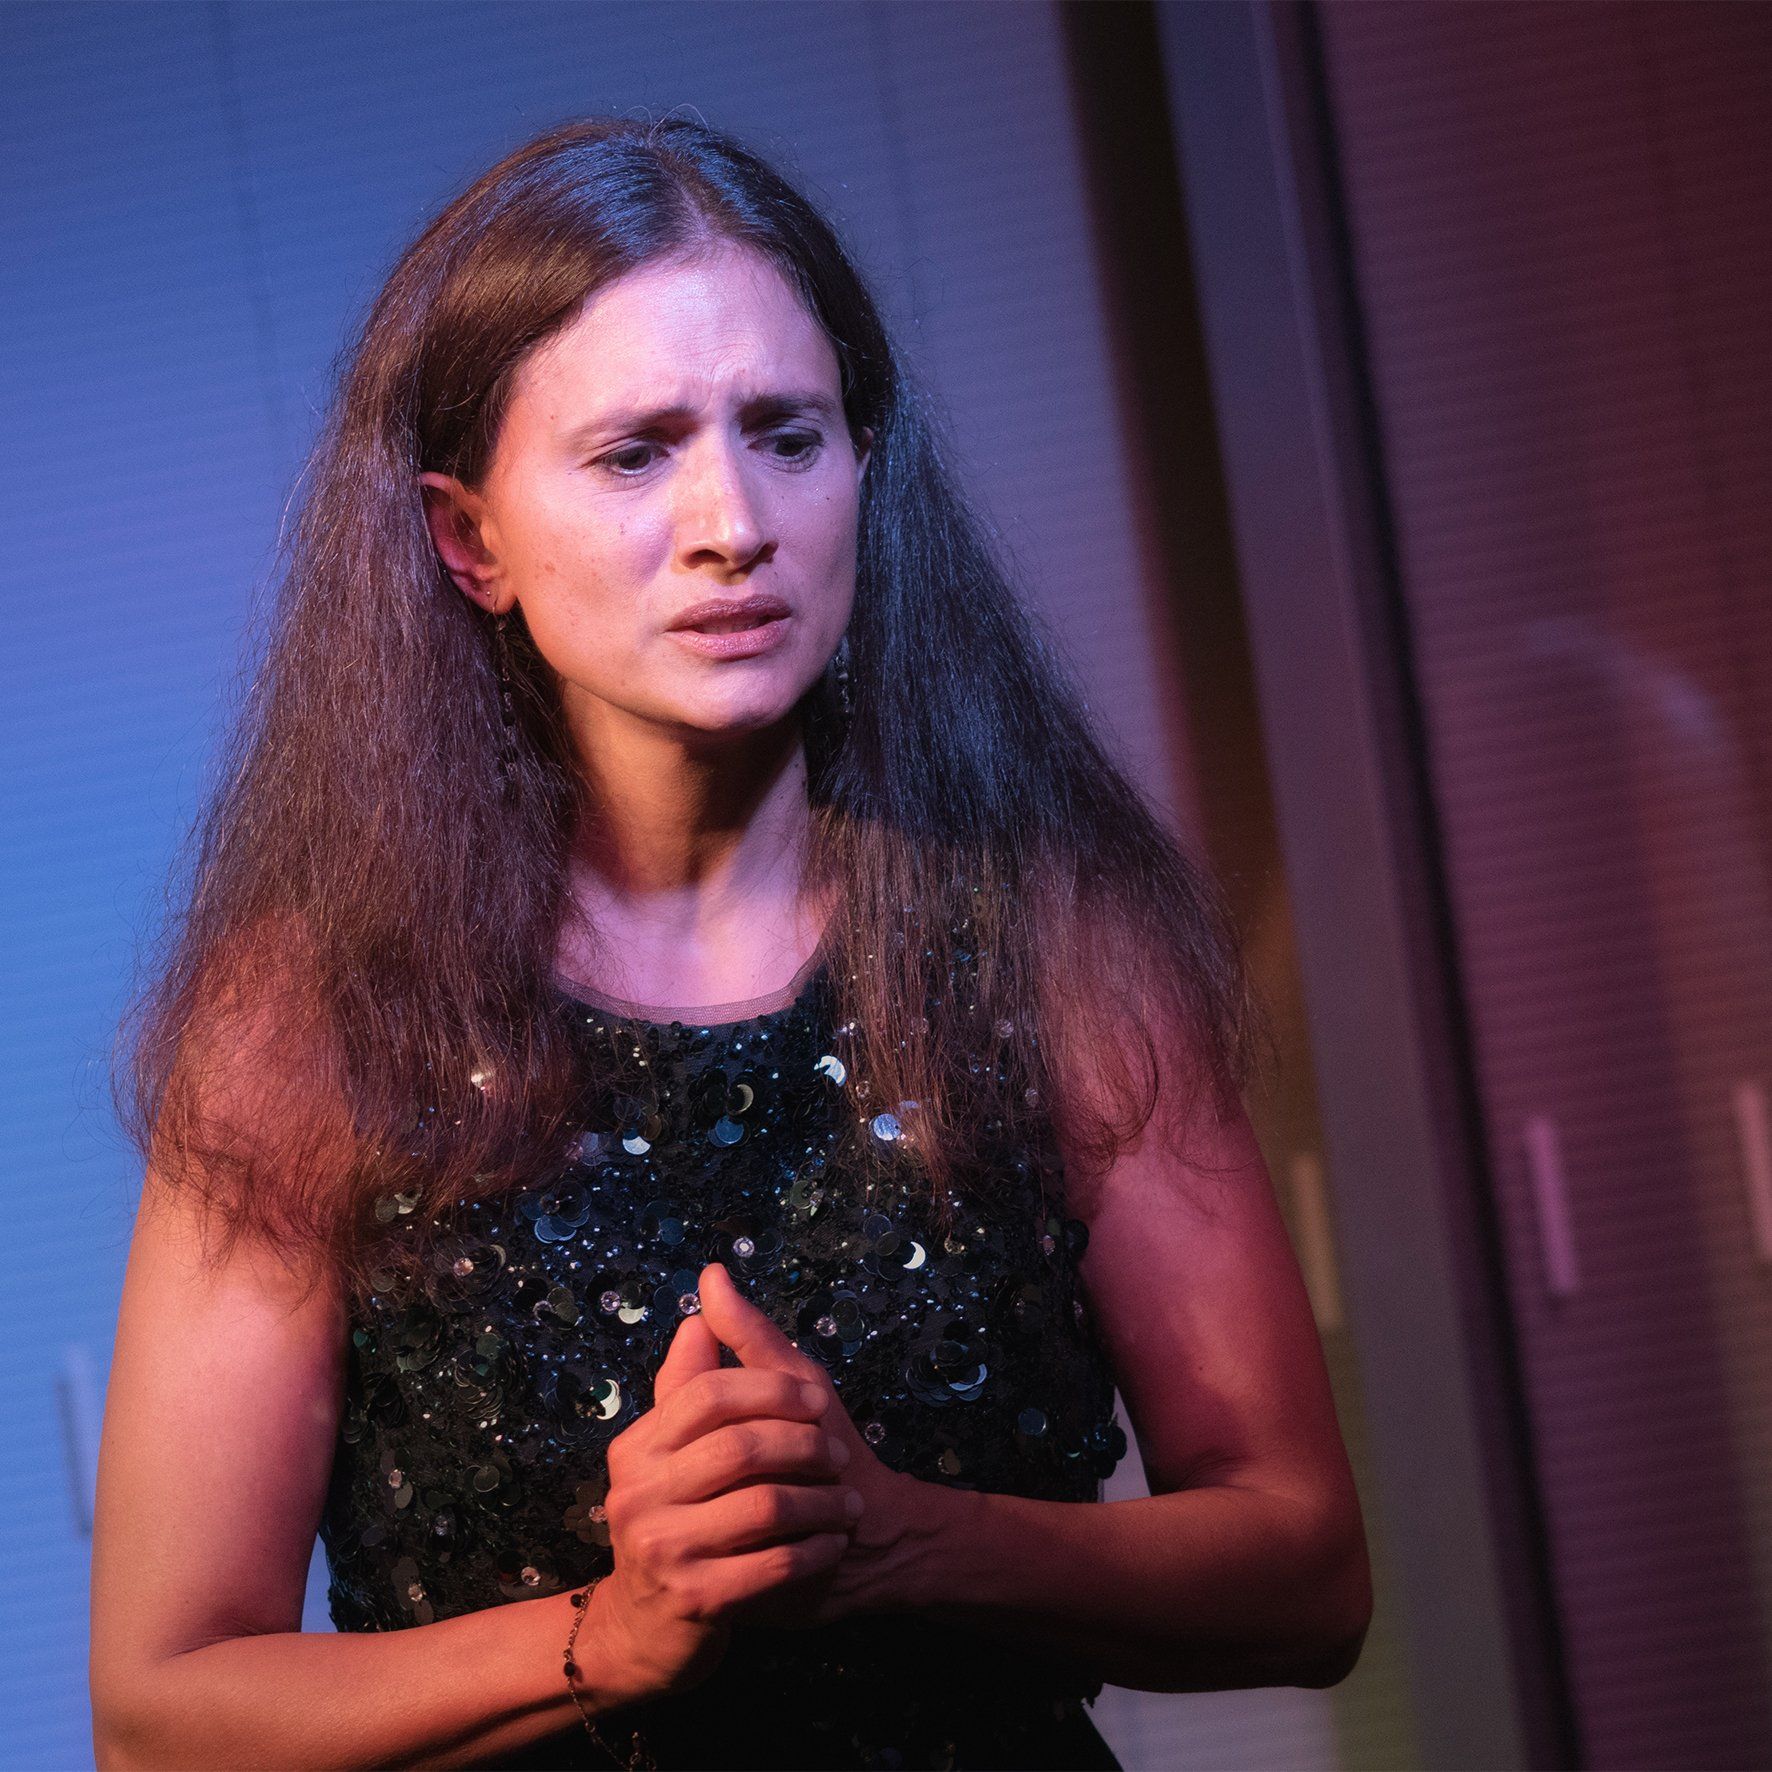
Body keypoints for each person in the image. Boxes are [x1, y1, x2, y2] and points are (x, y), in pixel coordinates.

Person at [89, 115, 1370, 1771]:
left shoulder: (1057, 951)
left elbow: (1305, 1576)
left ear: (862, 463)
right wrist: (608, 1638)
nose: (733, 522)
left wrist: (909, 1539)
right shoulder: (314, 1025)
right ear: (470, 541)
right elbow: (166, 1714)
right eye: (635, 454)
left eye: (785, 433)